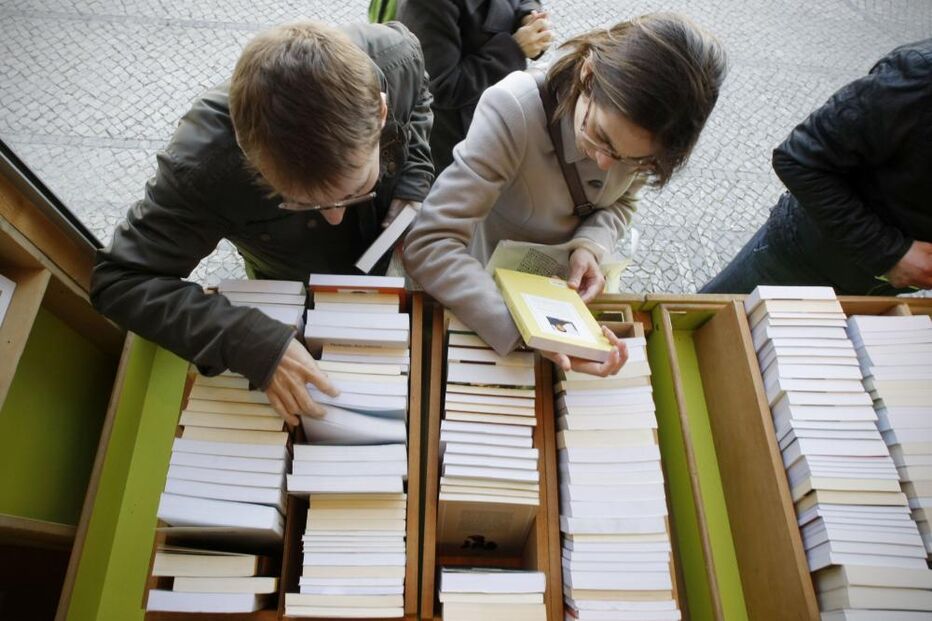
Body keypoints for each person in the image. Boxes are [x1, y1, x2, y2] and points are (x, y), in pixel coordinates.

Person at [90, 20, 434, 424]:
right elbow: (118, 281)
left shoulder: (396, 58)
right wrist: (250, 343)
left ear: (379, 110)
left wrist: (413, 180)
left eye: (355, 187)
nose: (337, 216)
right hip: (290, 276)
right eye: (299, 203)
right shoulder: (203, 165)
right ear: (247, 159)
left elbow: (420, 101)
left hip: (385, 246)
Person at [404, 13, 726, 375]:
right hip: (483, 292)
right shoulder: (514, 110)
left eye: (632, 160)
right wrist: (529, 334)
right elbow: (429, 242)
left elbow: (622, 202)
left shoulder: (645, 137)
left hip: (556, 296)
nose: (606, 163)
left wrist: (589, 244)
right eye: (600, 136)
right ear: (587, 73)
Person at [701, 38, 932, 295]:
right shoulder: (920, 76)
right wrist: (890, 254)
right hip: (802, 261)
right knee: (695, 324)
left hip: (886, 288)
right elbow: (797, 159)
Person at [398, 0, 553, 172]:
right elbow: (441, 86)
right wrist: (515, 49)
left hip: (498, 121)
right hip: (456, 143)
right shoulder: (430, 5)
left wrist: (528, 16)